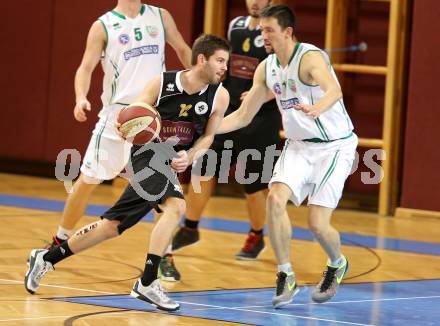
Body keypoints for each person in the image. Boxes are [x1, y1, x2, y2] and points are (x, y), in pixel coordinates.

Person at [24, 34, 231, 312]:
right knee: (176, 207)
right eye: (220, 61)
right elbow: (131, 118)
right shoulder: (161, 84)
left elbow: (208, 137)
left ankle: (46, 258)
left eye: (226, 62)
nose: (224, 67)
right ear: (202, 59)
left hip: (172, 161)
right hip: (146, 155)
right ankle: (147, 282)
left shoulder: (220, 95)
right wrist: (127, 140)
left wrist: (190, 155)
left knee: (111, 226)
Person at [216, 5, 357, 308]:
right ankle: (286, 274)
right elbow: (242, 116)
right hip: (298, 145)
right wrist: (208, 129)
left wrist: (319, 107)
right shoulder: (266, 68)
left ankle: (337, 262)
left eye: (268, 30)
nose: (262, 34)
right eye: (261, 29)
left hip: (334, 145)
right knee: (274, 198)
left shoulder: (310, 58)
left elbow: (334, 89)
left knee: (317, 224)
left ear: (287, 32)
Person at [45, 0, 192, 281]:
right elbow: (85, 68)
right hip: (118, 115)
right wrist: (80, 97)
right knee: (87, 179)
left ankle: (164, 255)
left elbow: (183, 50)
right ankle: (59, 239)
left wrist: (201, 87)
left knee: (159, 189)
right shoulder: (103, 25)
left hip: (153, 116)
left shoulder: (160, 16)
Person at [171, 0, 281, 262]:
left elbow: (285, 76)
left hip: (261, 118)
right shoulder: (236, 26)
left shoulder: (277, 31)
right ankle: (190, 228)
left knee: (252, 182)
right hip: (229, 113)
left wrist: (262, 95)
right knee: (202, 167)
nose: (255, 2)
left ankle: (256, 235)